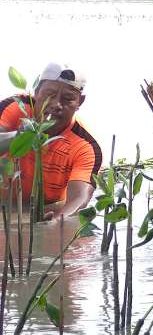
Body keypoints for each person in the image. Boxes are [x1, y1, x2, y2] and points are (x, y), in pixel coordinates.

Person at [0, 63, 101, 219]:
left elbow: (79, 198)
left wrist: (56, 221)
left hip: (46, 209)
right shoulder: (15, 107)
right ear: (36, 92)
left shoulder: (86, 145)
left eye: (68, 99)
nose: (56, 105)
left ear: (80, 102)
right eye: (49, 95)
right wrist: (23, 135)